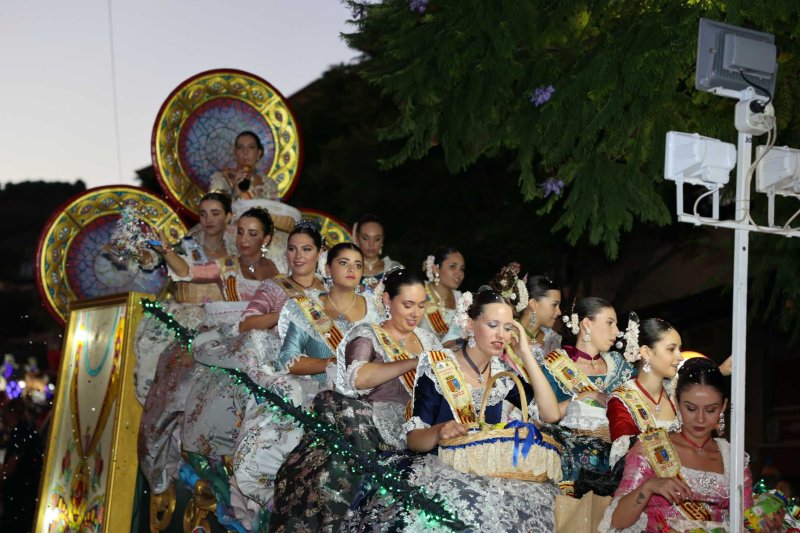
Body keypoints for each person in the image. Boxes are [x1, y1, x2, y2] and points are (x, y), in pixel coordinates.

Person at [341, 287, 563, 531]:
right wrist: (438, 431)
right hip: (439, 465)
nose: (501, 334)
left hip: (488, 467)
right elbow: (414, 439)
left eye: (508, 327)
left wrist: (525, 355)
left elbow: (550, 415)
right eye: (492, 325)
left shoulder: (503, 375)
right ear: (470, 324)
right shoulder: (438, 366)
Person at [268, 268, 442, 532]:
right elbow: (357, 378)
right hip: (367, 428)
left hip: (417, 429)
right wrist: (412, 362)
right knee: (333, 473)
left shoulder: (429, 340)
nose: (415, 313)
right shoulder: (367, 334)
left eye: (420, 306)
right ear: (387, 300)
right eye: (407, 305)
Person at [231, 243, 381, 516]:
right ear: (327, 269)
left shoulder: (376, 311)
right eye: (344, 263)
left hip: (365, 395)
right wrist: (329, 364)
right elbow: (287, 360)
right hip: (316, 389)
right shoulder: (308, 308)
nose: (351, 270)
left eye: (357, 265)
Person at [136, 192, 233, 505]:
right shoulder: (187, 245)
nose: (208, 220)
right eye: (203, 213)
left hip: (222, 325)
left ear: (228, 217)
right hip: (183, 321)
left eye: (216, 213)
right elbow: (169, 264)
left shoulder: (239, 250)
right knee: (166, 383)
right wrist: (151, 252)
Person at [600, 357, 757, 532]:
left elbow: (747, 522)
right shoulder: (652, 449)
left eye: (710, 410)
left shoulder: (733, 459)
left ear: (723, 407)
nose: (700, 419)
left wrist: (764, 519)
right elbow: (618, 521)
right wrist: (650, 487)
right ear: (676, 402)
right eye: (691, 408)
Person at [541, 296, 633, 496]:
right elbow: (543, 417)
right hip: (575, 465)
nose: (616, 331)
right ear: (586, 324)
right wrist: (582, 397)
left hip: (619, 462)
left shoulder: (620, 365)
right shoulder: (554, 366)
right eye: (609, 323)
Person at [607, 316, 683, 467]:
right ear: (647, 352)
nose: (679, 356)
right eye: (671, 349)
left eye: (679, 349)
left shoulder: (678, 392)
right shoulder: (622, 400)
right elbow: (624, 462)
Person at [208, 131, 278, 200]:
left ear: (259, 153)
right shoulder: (221, 179)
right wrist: (235, 194)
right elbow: (212, 208)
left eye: (251, 147)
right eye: (240, 147)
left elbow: (275, 210)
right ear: (235, 153)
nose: (245, 152)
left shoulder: (270, 184)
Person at [419, 246, 465, 343]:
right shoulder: (419, 293)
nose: (459, 273)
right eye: (453, 266)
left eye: (462, 269)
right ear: (436, 268)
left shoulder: (461, 299)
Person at [353, 213, 403, 292]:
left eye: (377, 239)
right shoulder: (347, 269)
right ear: (357, 238)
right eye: (365, 238)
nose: (371, 244)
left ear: (382, 240)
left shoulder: (394, 268)